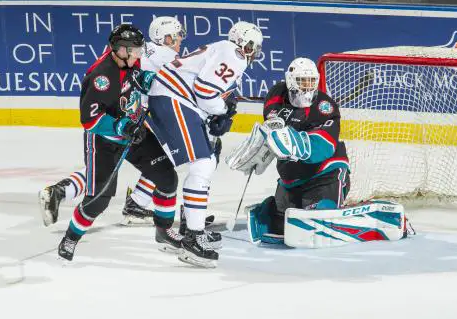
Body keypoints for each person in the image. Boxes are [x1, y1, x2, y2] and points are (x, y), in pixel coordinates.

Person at [54, 24, 179, 261]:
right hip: (104, 140)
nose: (140, 55)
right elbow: (89, 120)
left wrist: (146, 78)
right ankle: (70, 237)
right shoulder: (101, 77)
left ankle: (163, 231)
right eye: (136, 51)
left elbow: (133, 80)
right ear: (121, 50)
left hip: (133, 134)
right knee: (98, 200)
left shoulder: (129, 61)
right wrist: (122, 126)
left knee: (167, 177)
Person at [145, 21, 263, 268]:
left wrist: (218, 114)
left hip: (173, 99)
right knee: (202, 164)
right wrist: (222, 111)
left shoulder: (223, 50)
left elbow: (204, 91)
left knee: (207, 158)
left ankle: (192, 228)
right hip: (173, 99)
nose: (253, 51)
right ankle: (193, 237)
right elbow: (206, 92)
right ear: (242, 42)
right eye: (252, 45)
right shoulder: (234, 54)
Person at [228, 58, 350, 243]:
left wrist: (296, 142)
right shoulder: (277, 94)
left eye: (311, 81)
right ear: (291, 80)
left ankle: (334, 211)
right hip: (291, 179)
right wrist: (262, 147)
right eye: (302, 81)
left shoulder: (325, 106)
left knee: (318, 220)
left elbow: (325, 146)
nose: (308, 87)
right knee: (274, 225)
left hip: (324, 175)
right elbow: (272, 127)